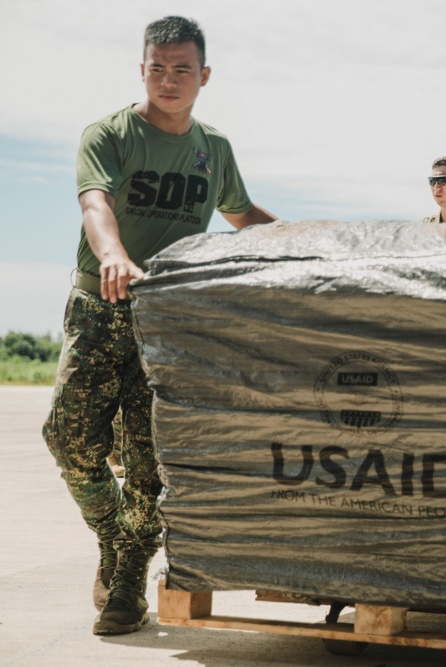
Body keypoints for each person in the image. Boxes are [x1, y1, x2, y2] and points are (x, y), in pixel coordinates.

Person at [42, 16, 278, 636]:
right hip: (100, 307)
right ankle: (115, 537)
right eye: (156, 67)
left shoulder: (213, 149)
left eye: (181, 69)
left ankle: (127, 584)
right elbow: (95, 202)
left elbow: (241, 212)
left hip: (170, 320)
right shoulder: (111, 134)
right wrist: (115, 253)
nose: (168, 80)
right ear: (141, 68)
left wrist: (299, 240)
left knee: (151, 462)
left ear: (204, 75)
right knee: (69, 441)